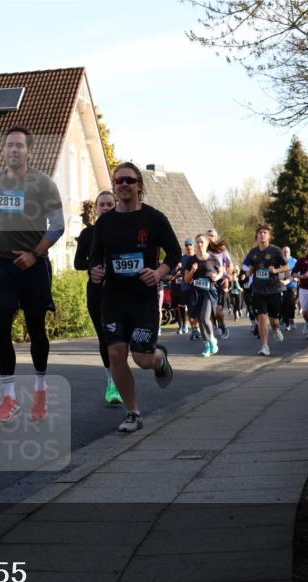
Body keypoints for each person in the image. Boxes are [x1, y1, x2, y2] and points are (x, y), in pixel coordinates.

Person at [0, 126, 65, 423]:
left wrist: (34, 253)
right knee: (1, 328)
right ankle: (9, 398)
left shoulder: (43, 184)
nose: (14, 150)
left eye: (19, 146)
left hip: (34, 265)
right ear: (4, 150)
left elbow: (58, 224)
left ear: (29, 151)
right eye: (9, 145)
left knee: (36, 328)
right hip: (2, 264)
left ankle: (40, 388)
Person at [89, 162, 179, 433]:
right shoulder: (105, 222)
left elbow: (174, 253)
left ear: (139, 185)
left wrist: (159, 272)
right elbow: (95, 257)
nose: (124, 185)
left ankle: (159, 359)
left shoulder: (154, 219)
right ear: (115, 187)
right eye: (119, 181)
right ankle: (133, 413)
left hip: (143, 299)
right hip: (113, 299)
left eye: (129, 180)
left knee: (141, 358)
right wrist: (96, 270)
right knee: (116, 353)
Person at [74, 190, 122, 405]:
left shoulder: (124, 230)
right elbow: (78, 262)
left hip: (122, 290)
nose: (106, 208)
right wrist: (93, 266)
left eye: (110, 204)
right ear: (96, 208)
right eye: (102, 204)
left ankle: (121, 375)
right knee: (104, 338)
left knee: (121, 338)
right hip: (97, 290)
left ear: (116, 205)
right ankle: (112, 382)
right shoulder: (87, 234)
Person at [241, 225, 287, 356]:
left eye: (265, 232)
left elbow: (287, 266)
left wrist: (276, 270)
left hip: (273, 289)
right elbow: (249, 267)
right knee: (261, 317)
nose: (262, 235)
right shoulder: (253, 252)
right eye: (260, 232)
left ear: (269, 236)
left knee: (273, 320)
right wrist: (247, 273)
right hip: (258, 290)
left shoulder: (275, 250)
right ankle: (265, 346)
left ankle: (276, 329)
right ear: (256, 236)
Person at [183, 234, 224, 357]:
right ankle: (208, 344)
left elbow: (221, 271)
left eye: (202, 242)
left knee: (205, 318)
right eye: (198, 242)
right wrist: (192, 271)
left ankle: (211, 341)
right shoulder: (191, 260)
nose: (199, 244)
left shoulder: (213, 258)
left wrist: (216, 276)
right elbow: (186, 279)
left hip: (209, 292)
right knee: (199, 319)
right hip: (196, 292)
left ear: (207, 244)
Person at [205, 228, 232, 339]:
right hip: (208, 281)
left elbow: (229, 265)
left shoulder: (222, 250)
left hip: (221, 280)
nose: (209, 237)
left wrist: (227, 278)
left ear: (216, 237)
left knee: (218, 310)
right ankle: (215, 327)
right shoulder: (204, 250)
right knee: (210, 308)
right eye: (208, 235)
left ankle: (222, 325)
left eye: (212, 235)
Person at [280, 246, 298, 331]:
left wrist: (297, 278)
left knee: (291, 303)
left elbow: (298, 272)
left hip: (292, 285)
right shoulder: (279, 261)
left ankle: (291, 319)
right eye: (284, 251)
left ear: (290, 252)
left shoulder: (294, 261)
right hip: (282, 286)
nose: (285, 253)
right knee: (283, 304)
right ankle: (286, 323)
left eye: (287, 251)